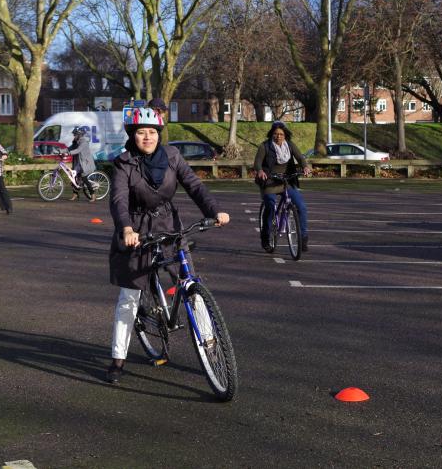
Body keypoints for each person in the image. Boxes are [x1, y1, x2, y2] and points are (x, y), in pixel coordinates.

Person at [106, 104, 230, 384]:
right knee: (130, 296)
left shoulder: (173, 156)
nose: (147, 138)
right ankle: (117, 359)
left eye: (152, 132)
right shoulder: (124, 163)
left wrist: (214, 211)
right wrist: (126, 227)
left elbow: (195, 186)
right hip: (136, 229)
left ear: (159, 133)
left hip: (168, 223)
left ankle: (210, 345)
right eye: (141, 132)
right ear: (132, 134)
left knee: (190, 282)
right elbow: (119, 200)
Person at [254, 121, 311, 252]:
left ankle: (303, 237)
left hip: (287, 181)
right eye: (275, 134)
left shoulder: (289, 145)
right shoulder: (265, 146)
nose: (278, 136)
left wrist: (305, 166)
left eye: (281, 134)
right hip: (269, 181)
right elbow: (257, 163)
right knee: (270, 206)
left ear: (285, 135)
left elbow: (300, 158)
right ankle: (266, 236)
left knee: (301, 207)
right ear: (271, 134)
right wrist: (260, 171)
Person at [68, 125, 97, 202]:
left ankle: (93, 195)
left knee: (84, 179)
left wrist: (69, 153)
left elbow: (78, 150)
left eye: (75, 134)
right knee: (74, 177)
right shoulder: (76, 142)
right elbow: (69, 149)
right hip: (78, 164)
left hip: (85, 164)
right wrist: (60, 151)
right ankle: (75, 194)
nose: (74, 136)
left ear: (79, 135)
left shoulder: (83, 142)